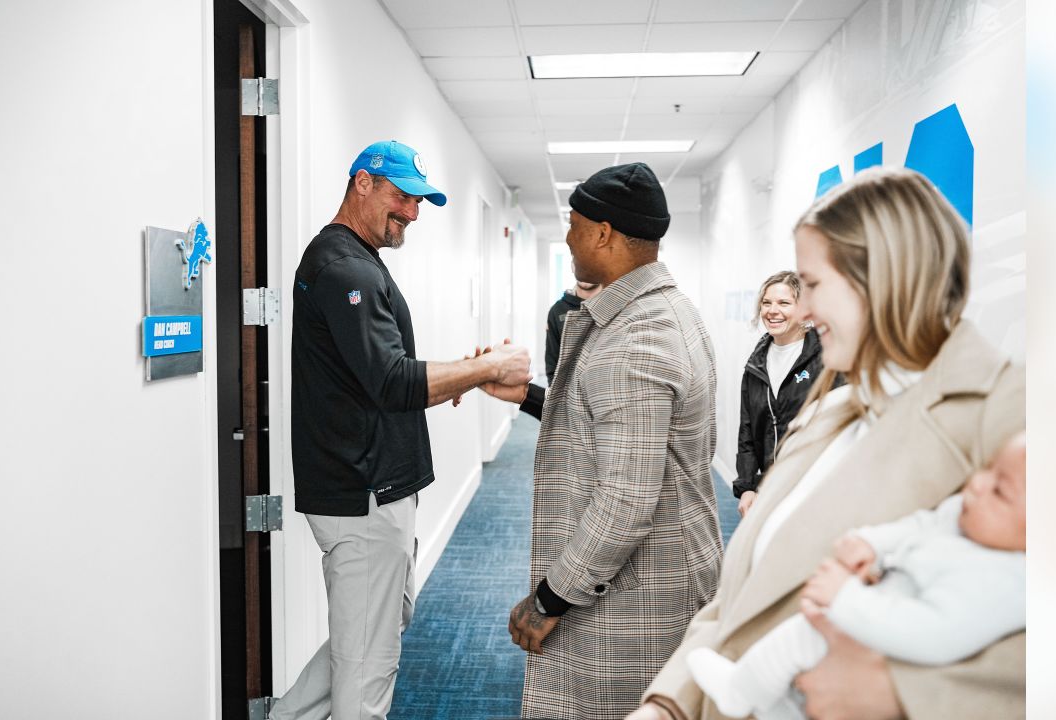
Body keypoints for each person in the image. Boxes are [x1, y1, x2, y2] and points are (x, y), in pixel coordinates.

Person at [629, 166, 1025, 720]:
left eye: (812, 285)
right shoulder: (833, 408)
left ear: (881, 277)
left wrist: (898, 695)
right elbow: (742, 598)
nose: (803, 311)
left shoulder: (1012, 411)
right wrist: (668, 706)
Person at [276, 140, 532, 720]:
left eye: (418, 202)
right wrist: (487, 367)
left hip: (369, 485)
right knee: (369, 667)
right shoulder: (345, 268)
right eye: (401, 197)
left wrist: (457, 377)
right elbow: (391, 379)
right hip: (361, 489)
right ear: (362, 183)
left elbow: (378, 375)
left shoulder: (355, 261)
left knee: (376, 627)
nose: (412, 214)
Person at [481, 162, 723, 720]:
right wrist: (526, 397)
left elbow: (625, 500)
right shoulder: (668, 312)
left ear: (603, 233)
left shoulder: (636, 338)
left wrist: (548, 600)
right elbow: (611, 433)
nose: (567, 236)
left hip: (637, 592)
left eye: (573, 223)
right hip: (661, 572)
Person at [688, 432, 1026, 720]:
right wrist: (872, 543)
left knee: (799, 639)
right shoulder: (965, 516)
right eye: (988, 469)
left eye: (1000, 491)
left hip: (884, 639)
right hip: (874, 606)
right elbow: (922, 523)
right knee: (797, 667)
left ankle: (739, 692)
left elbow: (932, 632)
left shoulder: (1003, 583)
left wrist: (846, 597)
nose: (978, 484)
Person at [734, 271, 841, 517]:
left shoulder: (827, 358)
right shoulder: (756, 364)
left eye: (784, 303)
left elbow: (838, 429)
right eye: (766, 302)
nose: (772, 310)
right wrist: (748, 486)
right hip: (769, 489)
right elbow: (748, 431)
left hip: (814, 490)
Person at [545, 278, 602, 383]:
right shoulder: (557, 310)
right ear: (573, 267)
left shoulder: (616, 305)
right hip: (569, 392)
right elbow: (552, 363)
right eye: (582, 263)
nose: (586, 271)